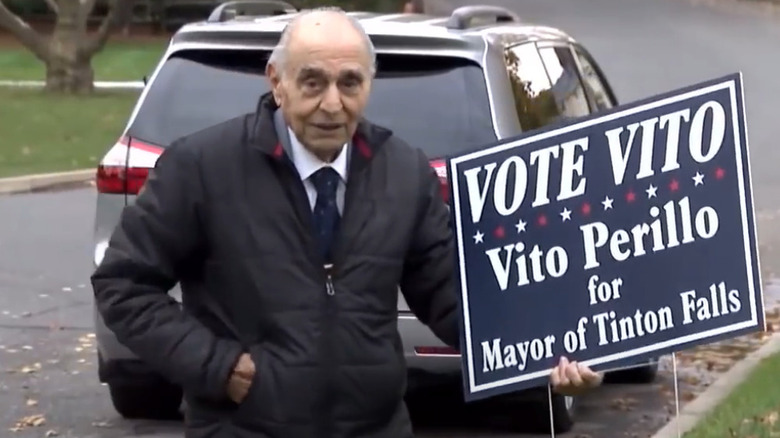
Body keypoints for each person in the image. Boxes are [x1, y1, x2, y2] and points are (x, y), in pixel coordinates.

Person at [91, 7, 602, 438]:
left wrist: (545, 350)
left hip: (376, 427)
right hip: (243, 427)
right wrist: (218, 368)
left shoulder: (403, 172)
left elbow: (453, 297)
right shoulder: (202, 167)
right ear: (278, 81)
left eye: (349, 83)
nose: (332, 103)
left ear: (368, 85)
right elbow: (122, 285)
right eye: (312, 81)